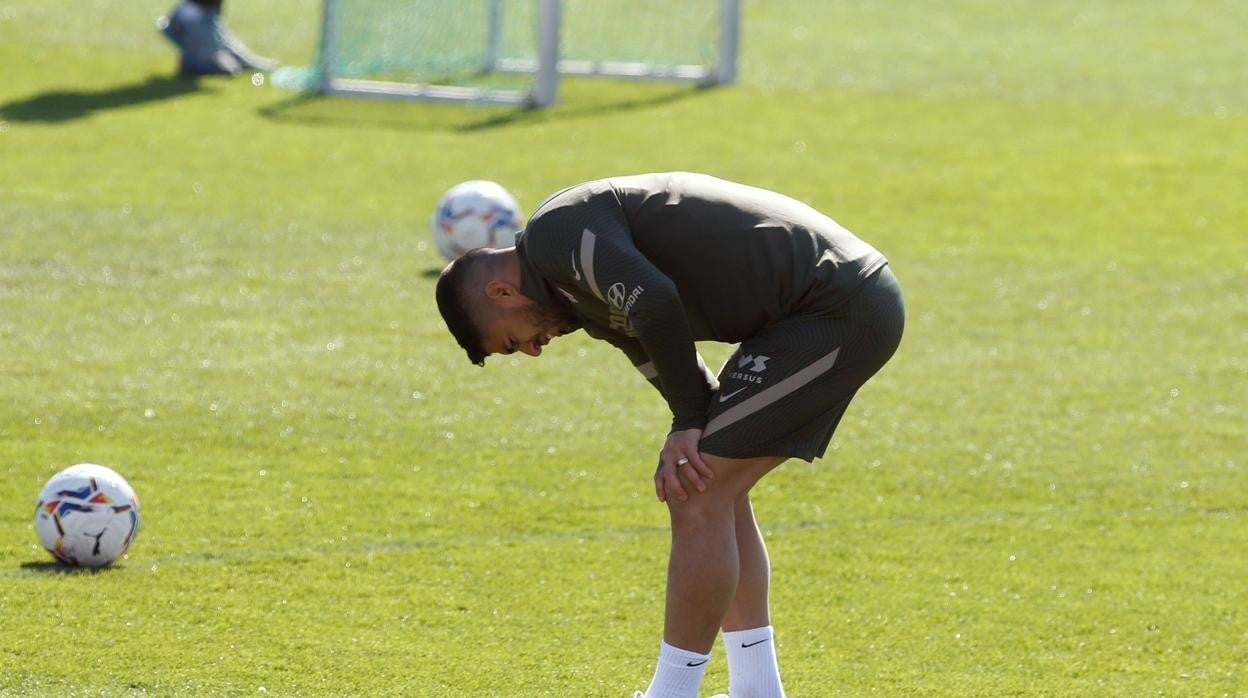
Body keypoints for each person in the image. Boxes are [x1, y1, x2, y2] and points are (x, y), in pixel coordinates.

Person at [435, 172, 905, 698]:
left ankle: (673, 693)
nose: (533, 350)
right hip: (813, 311)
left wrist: (688, 426)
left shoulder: (554, 234)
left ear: (502, 291)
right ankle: (757, 690)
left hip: (840, 303)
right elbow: (662, 356)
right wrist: (691, 423)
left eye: (510, 342)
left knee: (697, 489)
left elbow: (655, 300)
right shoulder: (583, 302)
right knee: (711, 484)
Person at [156, 0, 277, 77]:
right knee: (227, 68)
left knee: (230, 65)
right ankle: (193, 59)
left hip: (196, 14)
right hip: (195, 17)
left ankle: (196, 51)